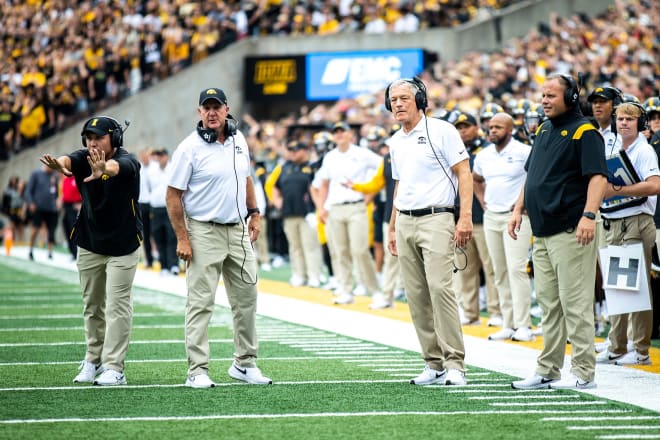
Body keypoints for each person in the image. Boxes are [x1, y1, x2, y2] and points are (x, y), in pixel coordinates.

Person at [166, 87, 272, 388]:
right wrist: (183, 238)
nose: (212, 113)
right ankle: (197, 370)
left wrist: (255, 212)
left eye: (217, 107)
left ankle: (245, 363)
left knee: (247, 299)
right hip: (203, 230)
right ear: (199, 112)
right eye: (206, 108)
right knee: (201, 303)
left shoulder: (239, 139)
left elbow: (247, 177)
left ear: (227, 109)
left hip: (238, 229)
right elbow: (173, 195)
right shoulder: (189, 148)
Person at [509, 73, 608, 390]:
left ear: (571, 97)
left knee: (575, 303)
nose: (544, 100)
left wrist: (589, 215)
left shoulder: (585, 131)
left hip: (570, 228)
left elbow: (597, 178)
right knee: (549, 304)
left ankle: (583, 372)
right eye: (543, 95)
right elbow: (532, 175)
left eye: (551, 95)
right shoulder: (542, 129)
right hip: (542, 231)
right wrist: (517, 207)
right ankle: (548, 369)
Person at [40, 115, 142, 386]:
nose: (93, 143)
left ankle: (114, 367)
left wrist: (103, 170)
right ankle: (93, 359)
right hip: (90, 241)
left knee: (118, 306)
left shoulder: (127, 161)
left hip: (123, 244)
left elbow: (118, 168)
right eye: (89, 138)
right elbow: (67, 160)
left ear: (115, 139)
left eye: (99, 137)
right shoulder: (83, 156)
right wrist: (58, 164)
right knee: (92, 305)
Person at [386, 77, 473, 386]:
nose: (397, 103)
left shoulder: (442, 131)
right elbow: (400, 184)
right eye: (393, 99)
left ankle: (455, 364)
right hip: (406, 219)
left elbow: (464, 172)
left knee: (440, 289)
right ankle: (433, 363)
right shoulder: (395, 140)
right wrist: (393, 225)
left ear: (420, 100)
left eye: (404, 98)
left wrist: (465, 217)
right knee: (416, 295)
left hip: (437, 218)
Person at [596, 102, 660, 366]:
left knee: (635, 289)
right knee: (618, 288)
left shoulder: (644, 151)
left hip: (634, 220)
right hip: (615, 220)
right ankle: (617, 345)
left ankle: (641, 349)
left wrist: (619, 191)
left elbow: (656, 186)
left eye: (630, 120)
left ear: (640, 123)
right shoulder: (613, 146)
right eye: (620, 119)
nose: (623, 123)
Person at [473, 113, 534, 342]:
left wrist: (521, 204)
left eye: (498, 127)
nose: (493, 131)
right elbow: (476, 179)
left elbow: (533, 179)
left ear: (511, 130)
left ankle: (524, 325)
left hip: (516, 217)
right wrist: (482, 202)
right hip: (492, 216)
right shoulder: (484, 155)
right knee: (499, 271)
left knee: (517, 269)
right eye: (491, 127)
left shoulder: (523, 151)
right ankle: (508, 323)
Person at [314, 121, 383, 305]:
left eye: (342, 131)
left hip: (356, 206)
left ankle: (375, 290)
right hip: (335, 208)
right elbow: (324, 183)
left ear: (350, 134)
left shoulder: (361, 154)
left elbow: (383, 169)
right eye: (336, 132)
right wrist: (321, 207)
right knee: (339, 251)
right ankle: (345, 290)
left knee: (360, 250)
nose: (339, 135)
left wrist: (370, 194)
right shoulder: (330, 157)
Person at [452, 112, 502, 328]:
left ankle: (495, 310)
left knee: (490, 267)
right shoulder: (454, 149)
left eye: (466, 126)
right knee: (466, 267)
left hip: (482, 216)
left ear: (476, 127)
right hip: (459, 216)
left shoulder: (487, 149)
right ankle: (470, 311)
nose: (462, 130)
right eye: (459, 127)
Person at [265, 140, 323, 288]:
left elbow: (319, 187)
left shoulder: (312, 167)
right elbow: (273, 186)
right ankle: (299, 274)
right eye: (290, 150)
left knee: (310, 246)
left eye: (296, 150)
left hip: (307, 213)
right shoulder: (284, 168)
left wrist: (317, 208)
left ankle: (314, 275)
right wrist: (277, 201)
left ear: (305, 151)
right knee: (295, 246)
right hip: (289, 213)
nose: (293, 153)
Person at [146, 148, 179, 275]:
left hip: (169, 207)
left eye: (161, 155)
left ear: (167, 156)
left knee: (171, 236)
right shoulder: (151, 171)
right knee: (158, 236)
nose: (159, 158)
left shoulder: (173, 169)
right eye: (157, 156)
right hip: (155, 207)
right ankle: (163, 265)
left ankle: (173, 264)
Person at [25, 163, 60, 260]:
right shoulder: (36, 174)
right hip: (38, 207)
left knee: (51, 230)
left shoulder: (55, 176)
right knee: (35, 229)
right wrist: (31, 203)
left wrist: (57, 201)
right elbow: (28, 191)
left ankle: (50, 252)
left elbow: (56, 192)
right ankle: (31, 250)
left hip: (51, 208)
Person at [60, 174, 82, 260]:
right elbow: (65, 192)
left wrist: (81, 204)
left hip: (75, 206)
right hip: (66, 206)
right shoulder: (66, 179)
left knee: (73, 229)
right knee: (66, 227)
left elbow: (84, 191)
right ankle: (73, 252)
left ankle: (76, 253)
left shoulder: (78, 178)